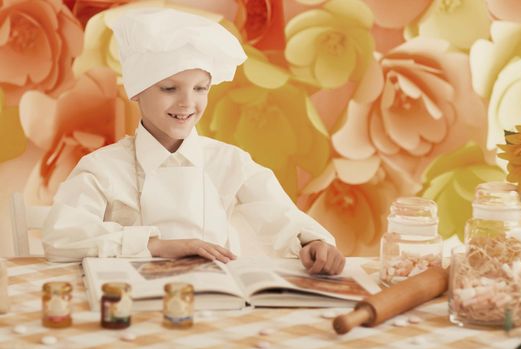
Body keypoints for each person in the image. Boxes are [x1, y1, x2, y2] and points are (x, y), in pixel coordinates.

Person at [42, 7, 345, 275]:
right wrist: (156, 245)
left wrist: (314, 242)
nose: (187, 103)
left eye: (200, 88)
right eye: (170, 88)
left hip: (215, 306)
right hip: (130, 307)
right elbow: (61, 237)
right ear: (136, 90)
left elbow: (282, 215)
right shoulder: (103, 168)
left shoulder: (230, 162)